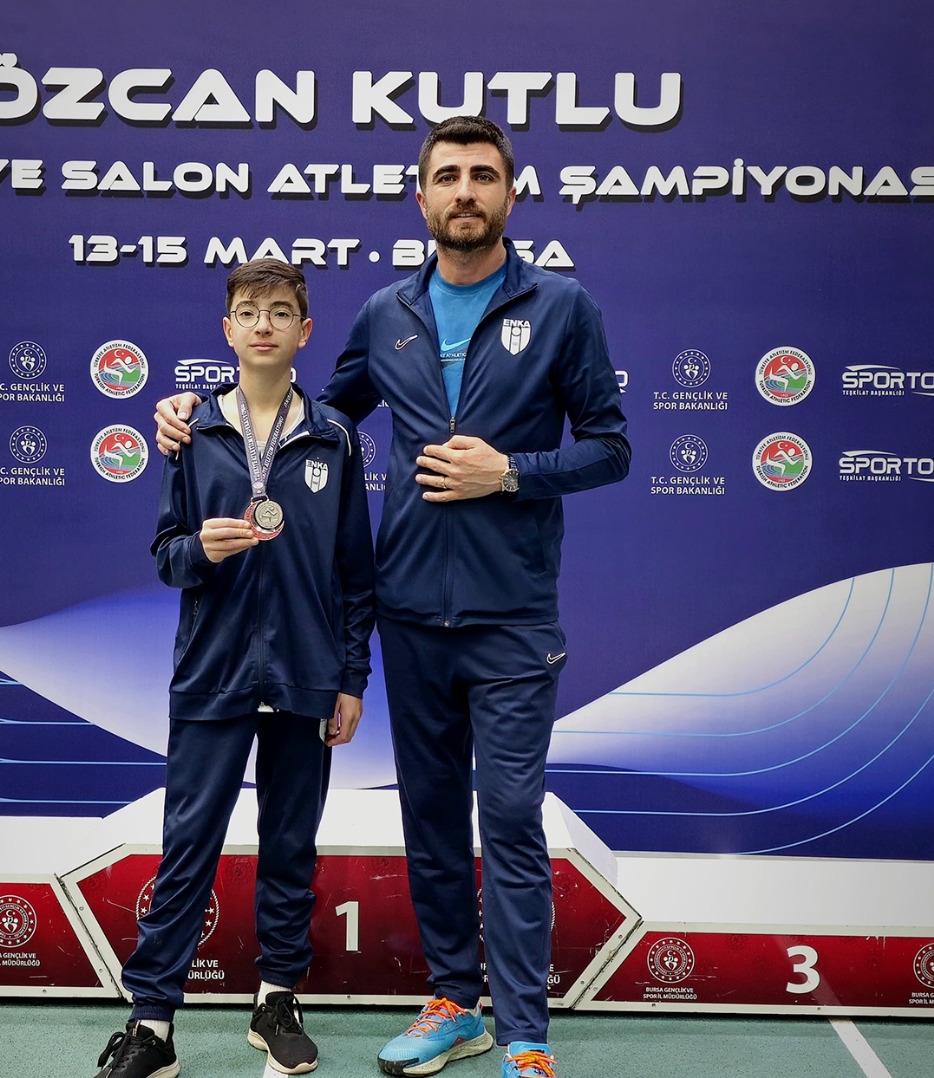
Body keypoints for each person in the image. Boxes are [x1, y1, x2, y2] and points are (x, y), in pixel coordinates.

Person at [154, 116, 630, 1078]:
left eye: (483, 176)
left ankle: (526, 1036)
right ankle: (456, 1003)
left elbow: (610, 447)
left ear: (510, 194)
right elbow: (305, 416)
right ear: (422, 199)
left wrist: (511, 472)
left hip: (512, 616)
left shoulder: (563, 307)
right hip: (411, 615)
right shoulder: (386, 313)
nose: (465, 192)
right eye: (447, 176)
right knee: (432, 820)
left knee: (509, 817)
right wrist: (196, 411)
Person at [98, 258, 376, 1078]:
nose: (264, 324)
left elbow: (356, 575)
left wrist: (351, 678)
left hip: (305, 675)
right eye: (249, 311)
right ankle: (152, 1023)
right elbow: (165, 555)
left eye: (281, 311)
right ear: (227, 330)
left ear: (304, 331)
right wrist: (200, 550)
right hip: (212, 672)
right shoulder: (191, 432)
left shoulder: (334, 438)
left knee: (291, 846)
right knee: (187, 846)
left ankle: (276, 999)